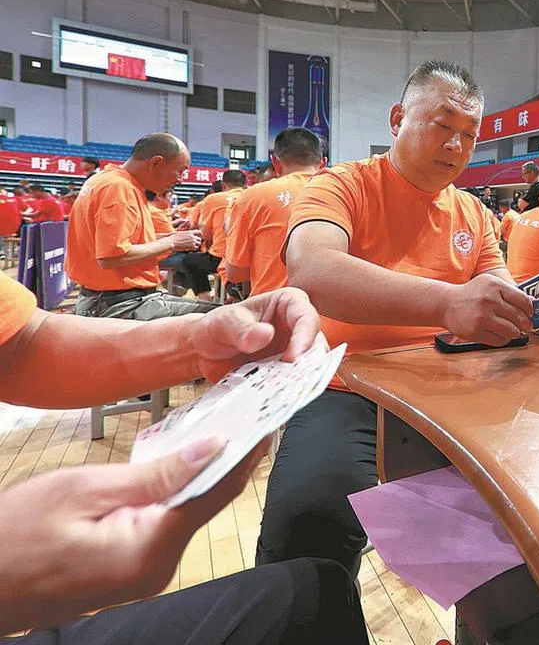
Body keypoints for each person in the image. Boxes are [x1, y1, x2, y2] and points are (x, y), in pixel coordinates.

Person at [257, 61, 539, 577]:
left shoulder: (473, 213)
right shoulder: (339, 186)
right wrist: (448, 303)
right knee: (307, 529)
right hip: (345, 387)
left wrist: (535, 313)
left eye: (469, 135)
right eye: (442, 125)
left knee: (532, 523)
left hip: (450, 387)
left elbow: (500, 293)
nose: (456, 145)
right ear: (397, 117)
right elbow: (313, 271)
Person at [0, 273, 367, 643]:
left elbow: (19, 344)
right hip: (122, 299)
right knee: (311, 589)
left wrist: (195, 343)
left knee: (316, 590)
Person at [66, 133, 210, 320]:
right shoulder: (119, 188)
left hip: (110, 297)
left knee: (218, 312)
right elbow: (111, 256)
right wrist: (171, 242)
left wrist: (168, 238)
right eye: (180, 171)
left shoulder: (108, 181)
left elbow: (116, 243)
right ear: (155, 163)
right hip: (119, 303)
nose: (181, 179)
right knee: (222, 319)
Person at [225, 129, 324, 297]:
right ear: (323, 163)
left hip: (277, 311)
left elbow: (236, 273)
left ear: (276, 163)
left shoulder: (251, 197)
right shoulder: (347, 192)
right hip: (338, 315)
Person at [183, 170, 247, 300]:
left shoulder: (212, 200)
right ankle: (225, 295)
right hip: (246, 256)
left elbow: (205, 234)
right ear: (245, 184)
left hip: (220, 257)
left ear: (223, 186)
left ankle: (205, 299)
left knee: (189, 261)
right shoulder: (252, 196)